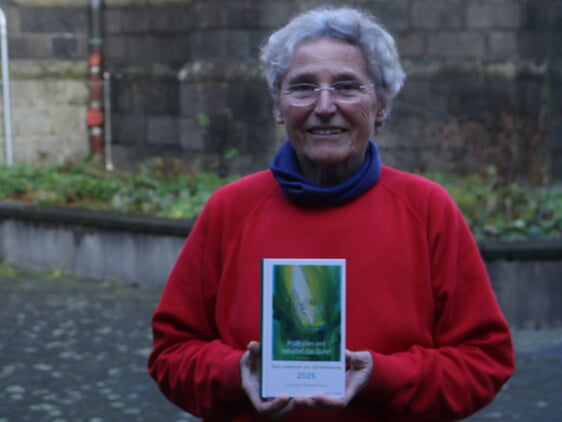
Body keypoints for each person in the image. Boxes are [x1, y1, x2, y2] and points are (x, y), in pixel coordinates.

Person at [148, 6, 514, 422]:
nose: (324, 106)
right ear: (278, 108)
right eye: (302, 87)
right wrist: (235, 373)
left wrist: (384, 376)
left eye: (346, 86)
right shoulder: (231, 209)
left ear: (380, 106)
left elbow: (485, 361)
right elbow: (171, 353)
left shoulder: (427, 209)